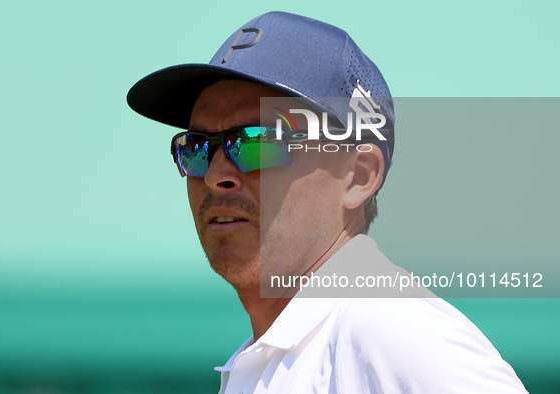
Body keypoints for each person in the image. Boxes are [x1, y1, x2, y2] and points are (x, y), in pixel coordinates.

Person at [127, 11, 528, 394]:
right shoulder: (284, 353)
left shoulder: (390, 329)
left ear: (359, 176)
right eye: (197, 147)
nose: (216, 174)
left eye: (257, 140)